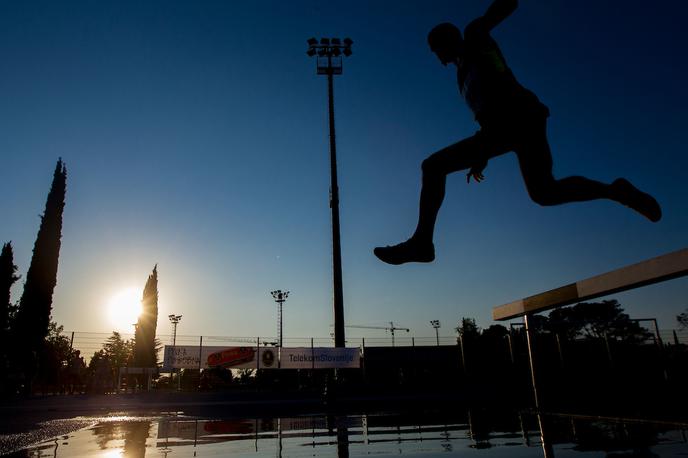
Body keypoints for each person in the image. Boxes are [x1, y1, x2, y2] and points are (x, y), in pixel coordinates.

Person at [374, 0, 661, 265]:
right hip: (508, 128)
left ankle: (422, 243)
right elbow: (488, 108)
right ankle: (615, 191)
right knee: (545, 192)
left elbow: (501, 10)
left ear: (446, 42)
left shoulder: (475, 37)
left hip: (520, 119)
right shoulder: (461, 74)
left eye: (437, 50)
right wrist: (482, 154)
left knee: (433, 166)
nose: (439, 59)